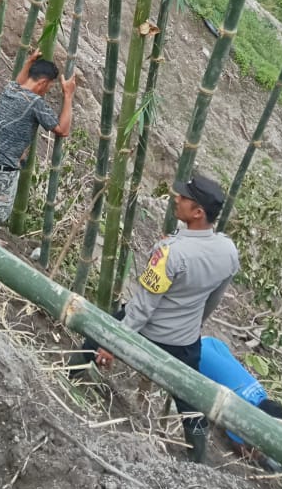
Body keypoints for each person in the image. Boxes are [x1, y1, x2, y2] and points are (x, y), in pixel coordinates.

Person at [83, 174, 240, 464]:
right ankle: (199, 458)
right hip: (185, 341)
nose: (176, 199)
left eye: (184, 198)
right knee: (191, 401)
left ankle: (68, 380)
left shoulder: (170, 252)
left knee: (92, 337)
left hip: (149, 331)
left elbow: (142, 308)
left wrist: (113, 342)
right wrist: (194, 324)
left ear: (198, 212)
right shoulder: (227, 250)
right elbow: (213, 300)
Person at [0, 49, 76, 238]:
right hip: (3, 169)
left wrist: (30, 61)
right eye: (49, 87)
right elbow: (62, 130)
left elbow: (20, 80)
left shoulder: (11, 88)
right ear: (42, 83)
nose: (47, 91)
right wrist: (68, 96)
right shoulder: (35, 103)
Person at [199, 336, 282, 454]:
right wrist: (258, 456)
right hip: (194, 352)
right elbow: (237, 444)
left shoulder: (261, 393)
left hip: (212, 343)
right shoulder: (239, 405)